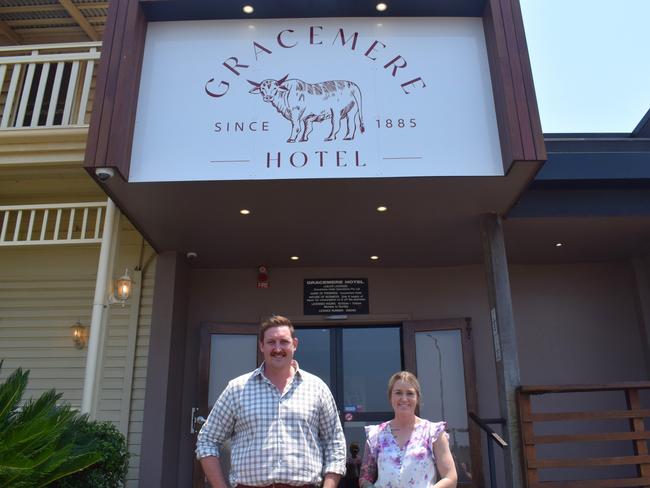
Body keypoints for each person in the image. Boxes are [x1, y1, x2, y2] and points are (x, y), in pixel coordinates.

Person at [196, 315, 346, 488]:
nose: (277, 348)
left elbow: (335, 444)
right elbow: (207, 440)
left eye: (283, 342)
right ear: (261, 346)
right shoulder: (237, 389)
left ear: (294, 345)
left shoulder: (317, 388)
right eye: (271, 342)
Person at [359, 371, 457, 488]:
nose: (404, 399)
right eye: (398, 393)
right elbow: (365, 478)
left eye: (410, 393)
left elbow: (450, 478)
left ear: (417, 398)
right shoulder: (376, 434)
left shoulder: (433, 432)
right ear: (390, 397)